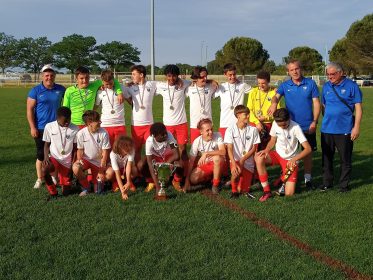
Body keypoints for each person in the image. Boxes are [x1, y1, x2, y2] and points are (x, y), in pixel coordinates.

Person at [268, 59, 320, 190]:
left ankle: (308, 179)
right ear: (288, 72)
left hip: (307, 126)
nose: (295, 72)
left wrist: (314, 121)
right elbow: (276, 96)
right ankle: (285, 177)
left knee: (307, 154)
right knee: (288, 152)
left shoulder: (311, 83)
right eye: (291, 70)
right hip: (289, 126)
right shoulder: (285, 85)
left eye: (296, 69)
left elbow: (316, 103)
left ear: (300, 68)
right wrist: (274, 103)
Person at [319, 62, 363, 192]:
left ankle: (344, 185)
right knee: (326, 158)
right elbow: (324, 106)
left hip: (344, 129)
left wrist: (356, 127)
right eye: (328, 74)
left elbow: (358, 108)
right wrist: (327, 118)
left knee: (345, 159)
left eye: (332, 74)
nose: (330, 77)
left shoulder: (352, 86)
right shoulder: (326, 86)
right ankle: (327, 183)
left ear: (341, 72)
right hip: (327, 129)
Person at [255, 108, 312, 202]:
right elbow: (273, 140)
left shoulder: (296, 127)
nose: (282, 127)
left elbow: (308, 149)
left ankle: (283, 177)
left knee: (289, 194)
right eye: (279, 125)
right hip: (278, 155)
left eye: (284, 125)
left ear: (289, 118)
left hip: (291, 160)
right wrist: (266, 150)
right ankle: (267, 191)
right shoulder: (275, 123)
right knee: (259, 157)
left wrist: (295, 159)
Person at [26, 64, 66, 189]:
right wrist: (32, 127)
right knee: (41, 155)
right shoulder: (35, 91)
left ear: (54, 76)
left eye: (51, 75)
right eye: (47, 75)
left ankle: (54, 178)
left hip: (57, 127)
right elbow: (29, 110)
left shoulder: (61, 89)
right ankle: (39, 179)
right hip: (41, 128)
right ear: (42, 76)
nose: (49, 77)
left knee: (55, 154)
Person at [155, 64, 190, 174]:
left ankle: (184, 173)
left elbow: (196, 80)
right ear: (166, 76)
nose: (171, 79)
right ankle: (168, 173)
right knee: (169, 151)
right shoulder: (160, 86)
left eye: (174, 76)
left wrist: (212, 81)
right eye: (169, 76)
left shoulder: (184, 84)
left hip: (181, 123)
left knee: (183, 151)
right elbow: (147, 85)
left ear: (178, 76)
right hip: (168, 124)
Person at [224, 105, 260, 199]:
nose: (248, 116)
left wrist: (243, 159)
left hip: (248, 161)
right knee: (235, 172)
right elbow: (230, 148)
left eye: (248, 114)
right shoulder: (230, 130)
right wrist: (234, 163)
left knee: (243, 190)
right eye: (245, 114)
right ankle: (234, 191)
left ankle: (241, 182)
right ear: (238, 115)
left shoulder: (253, 129)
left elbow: (254, 148)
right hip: (235, 160)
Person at [42, 107, 79, 197]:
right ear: (57, 118)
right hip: (55, 157)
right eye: (65, 121)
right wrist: (46, 157)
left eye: (69, 119)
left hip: (67, 162)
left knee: (66, 193)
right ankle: (53, 192)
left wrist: (72, 163)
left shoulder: (75, 128)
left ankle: (70, 184)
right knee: (45, 169)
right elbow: (46, 145)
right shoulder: (49, 126)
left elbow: (75, 148)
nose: (67, 122)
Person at [72, 110, 110, 196]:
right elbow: (80, 150)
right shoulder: (81, 133)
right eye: (97, 121)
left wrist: (101, 169)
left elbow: (105, 151)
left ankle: (98, 183)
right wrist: (79, 160)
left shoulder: (104, 132)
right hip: (86, 161)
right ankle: (86, 186)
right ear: (89, 123)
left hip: (98, 162)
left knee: (98, 190)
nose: (100, 122)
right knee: (76, 167)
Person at [125, 65, 157, 164]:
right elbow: (117, 87)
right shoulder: (131, 87)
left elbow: (168, 84)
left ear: (141, 75)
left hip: (149, 125)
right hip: (136, 125)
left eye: (134, 74)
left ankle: (148, 171)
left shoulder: (152, 85)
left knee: (151, 149)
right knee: (136, 150)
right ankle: (139, 172)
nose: (132, 76)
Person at [184, 119, 226, 193]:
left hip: (220, 164)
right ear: (201, 132)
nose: (211, 132)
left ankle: (215, 185)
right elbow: (191, 162)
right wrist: (187, 181)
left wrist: (206, 153)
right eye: (207, 130)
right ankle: (211, 180)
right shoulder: (197, 141)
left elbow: (223, 152)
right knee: (193, 179)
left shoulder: (218, 135)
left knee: (216, 158)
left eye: (211, 129)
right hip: (207, 165)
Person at [139, 122, 182, 194]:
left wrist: (164, 165)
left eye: (165, 133)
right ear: (154, 135)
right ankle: (151, 182)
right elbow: (150, 164)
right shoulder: (149, 141)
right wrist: (157, 186)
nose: (165, 135)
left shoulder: (170, 135)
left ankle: (176, 181)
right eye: (162, 135)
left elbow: (176, 155)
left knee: (180, 164)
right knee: (140, 165)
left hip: (168, 157)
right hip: (156, 159)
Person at [247, 70, 283, 150]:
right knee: (252, 148)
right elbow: (249, 109)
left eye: (263, 83)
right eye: (259, 83)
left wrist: (266, 118)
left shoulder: (274, 93)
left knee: (265, 149)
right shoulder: (253, 92)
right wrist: (257, 122)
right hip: (254, 124)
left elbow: (278, 112)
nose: (261, 85)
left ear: (268, 81)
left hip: (268, 124)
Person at [215, 63, 251, 138]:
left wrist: (273, 90)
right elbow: (210, 95)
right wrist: (211, 81)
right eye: (230, 75)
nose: (233, 77)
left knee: (238, 148)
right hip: (224, 123)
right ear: (225, 74)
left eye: (234, 74)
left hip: (239, 123)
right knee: (224, 148)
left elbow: (256, 91)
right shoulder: (221, 87)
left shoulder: (242, 85)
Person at [95, 69, 129, 146]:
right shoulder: (100, 92)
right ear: (102, 82)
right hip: (105, 125)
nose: (109, 86)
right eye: (107, 84)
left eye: (111, 83)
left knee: (121, 149)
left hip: (120, 124)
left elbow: (130, 99)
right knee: (106, 150)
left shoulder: (121, 88)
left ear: (113, 80)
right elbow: (96, 106)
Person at [186, 66, 217, 143]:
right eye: (202, 77)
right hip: (194, 125)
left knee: (209, 149)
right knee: (195, 150)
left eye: (206, 76)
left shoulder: (211, 87)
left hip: (208, 125)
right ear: (196, 78)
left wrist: (212, 80)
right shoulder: (189, 88)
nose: (205, 79)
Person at [106, 136, 137, 200]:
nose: (130, 148)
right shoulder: (113, 154)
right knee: (110, 173)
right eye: (127, 146)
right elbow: (117, 173)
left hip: (125, 168)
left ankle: (128, 183)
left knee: (134, 170)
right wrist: (123, 192)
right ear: (120, 147)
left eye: (130, 146)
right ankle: (115, 182)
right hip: (115, 169)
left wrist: (128, 181)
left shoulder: (131, 150)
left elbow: (128, 165)